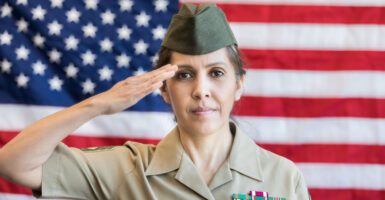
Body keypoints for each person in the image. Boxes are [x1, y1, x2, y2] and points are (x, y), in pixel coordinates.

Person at [0, 3, 311, 200]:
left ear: (239, 84)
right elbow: (13, 164)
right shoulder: (125, 170)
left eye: (216, 73)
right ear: (164, 89)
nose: (201, 89)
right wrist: (98, 105)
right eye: (185, 75)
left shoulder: (282, 177)